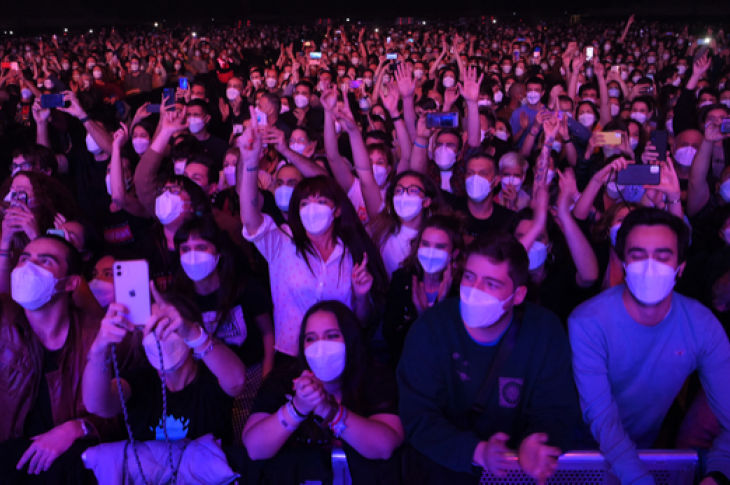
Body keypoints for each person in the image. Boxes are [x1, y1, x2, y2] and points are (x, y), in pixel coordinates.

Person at [397, 232, 580, 484]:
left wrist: (537, 440)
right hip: (440, 473)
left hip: (515, 474)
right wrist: (477, 451)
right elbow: (417, 415)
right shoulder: (431, 329)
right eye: (470, 277)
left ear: (517, 295)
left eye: (491, 284)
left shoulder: (544, 331)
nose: (475, 291)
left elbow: (557, 409)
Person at [569, 208, 730, 485]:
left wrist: (718, 472)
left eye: (663, 256)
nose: (650, 265)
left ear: (680, 267)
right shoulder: (588, 322)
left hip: (644, 452)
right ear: (623, 263)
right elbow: (603, 419)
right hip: (576, 455)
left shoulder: (703, 327)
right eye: (638, 255)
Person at [238, 108, 387, 362]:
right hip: (291, 358)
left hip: (343, 358)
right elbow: (250, 218)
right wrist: (251, 162)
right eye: (305, 203)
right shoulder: (283, 242)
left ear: (337, 210)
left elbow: (361, 321)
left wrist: (362, 297)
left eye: (320, 201)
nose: (312, 208)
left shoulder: (352, 252)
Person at [0, 236, 128, 484]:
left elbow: (122, 409)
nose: (29, 267)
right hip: (9, 461)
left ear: (70, 283)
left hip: (73, 466)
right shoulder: (5, 324)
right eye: (24, 259)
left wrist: (75, 428)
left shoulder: (98, 337)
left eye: (44, 261)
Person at [241, 300, 404, 482]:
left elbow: (385, 447)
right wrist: (296, 409)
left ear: (351, 339)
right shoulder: (282, 380)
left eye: (331, 336)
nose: (320, 347)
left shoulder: (375, 377)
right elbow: (254, 449)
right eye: (310, 338)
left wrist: (329, 411)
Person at [82, 284, 247, 446]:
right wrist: (98, 348)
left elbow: (237, 381)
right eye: (151, 328)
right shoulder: (138, 383)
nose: (160, 335)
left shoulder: (212, 375)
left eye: (168, 325)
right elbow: (96, 404)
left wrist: (193, 333)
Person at [172, 216, 275, 439]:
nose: (192, 255)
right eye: (185, 249)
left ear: (217, 253)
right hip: (205, 381)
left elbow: (268, 333)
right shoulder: (178, 297)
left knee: (246, 441)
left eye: (200, 247)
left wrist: (267, 380)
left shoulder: (245, 287)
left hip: (251, 375)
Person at [382, 214, 464, 367]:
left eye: (440, 247)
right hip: (404, 367)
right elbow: (391, 335)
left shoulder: (460, 291)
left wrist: (439, 306)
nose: (431, 252)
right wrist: (420, 317)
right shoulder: (402, 279)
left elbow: (456, 346)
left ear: (454, 253)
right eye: (425, 244)